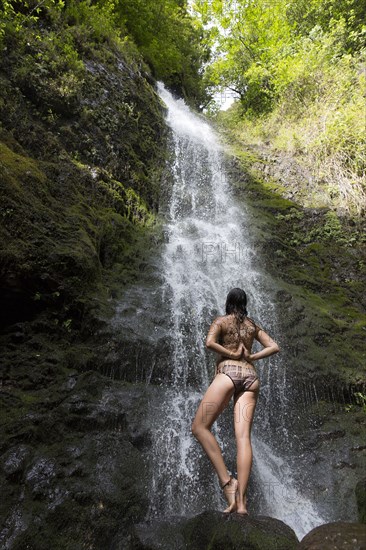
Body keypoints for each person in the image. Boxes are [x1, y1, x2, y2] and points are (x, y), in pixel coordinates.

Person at [191, 287, 280, 515]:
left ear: (228, 302)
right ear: (245, 303)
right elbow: (274, 346)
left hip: (228, 374)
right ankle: (241, 503)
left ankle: (228, 482)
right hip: (250, 378)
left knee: (199, 427)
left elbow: (209, 343)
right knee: (243, 438)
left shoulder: (221, 321)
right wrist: (251, 356)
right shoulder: (252, 325)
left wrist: (230, 354)